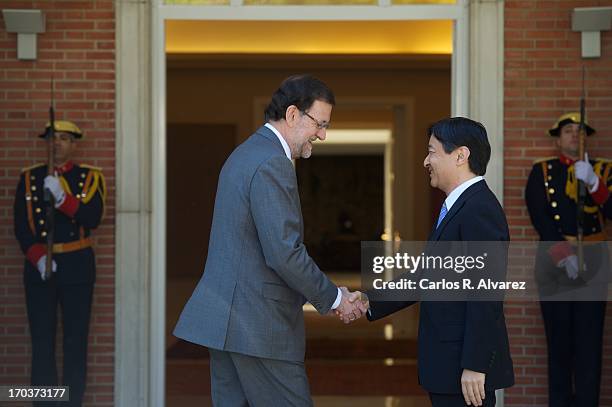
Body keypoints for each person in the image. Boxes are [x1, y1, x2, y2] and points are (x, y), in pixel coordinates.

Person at [173, 74, 366, 406]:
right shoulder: (272, 163)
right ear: (292, 115)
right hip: (259, 328)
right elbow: (283, 253)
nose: (323, 134)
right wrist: (335, 298)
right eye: (320, 124)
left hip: (227, 324)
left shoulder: (246, 153)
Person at [363, 117, 515, 407]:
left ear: (460, 155)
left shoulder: (479, 209)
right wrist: (368, 301)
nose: (425, 161)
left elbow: (486, 292)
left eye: (432, 152)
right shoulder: (458, 206)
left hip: (465, 372)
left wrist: (475, 364)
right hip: (448, 366)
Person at [13, 120, 106, 407]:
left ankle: (70, 403)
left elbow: (92, 217)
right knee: (42, 343)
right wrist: (38, 258)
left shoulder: (89, 177)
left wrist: (63, 198)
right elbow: (21, 225)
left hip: (77, 266)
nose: (57, 143)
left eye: (64, 138)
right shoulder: (30, 177)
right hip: (41, 269)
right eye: (52, 138)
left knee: (74, 343)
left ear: (74, 144)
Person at [525, 112, 611, 407]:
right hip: (554, 264)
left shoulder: (603, 170)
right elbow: (541, 217)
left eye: (580, 131)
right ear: (558, 139)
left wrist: (596, 185)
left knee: (589, 346)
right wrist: (564, 256)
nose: (574, 135)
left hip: (595, 265)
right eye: (568, 131)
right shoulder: (543, 171)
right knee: (559, 346)